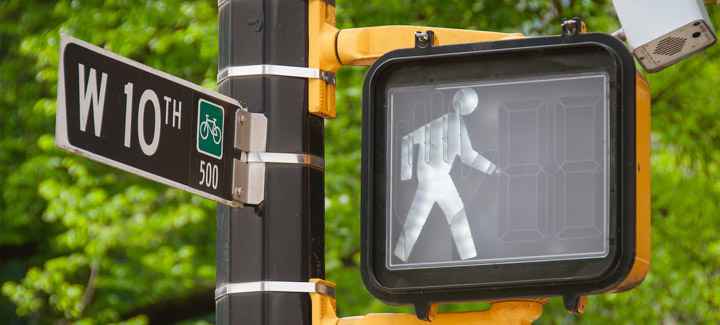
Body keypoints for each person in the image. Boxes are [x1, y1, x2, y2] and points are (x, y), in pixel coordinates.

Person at [394, 87, 500, 262]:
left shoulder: (458, 127)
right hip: (429, 180)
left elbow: (468, 156)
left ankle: (470, 261)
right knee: (416, 222)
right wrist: (406, 173)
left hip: (442, 179)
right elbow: (407, 140)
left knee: (457, 218)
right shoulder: (440, 124)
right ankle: (399, 259)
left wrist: (491, 168)